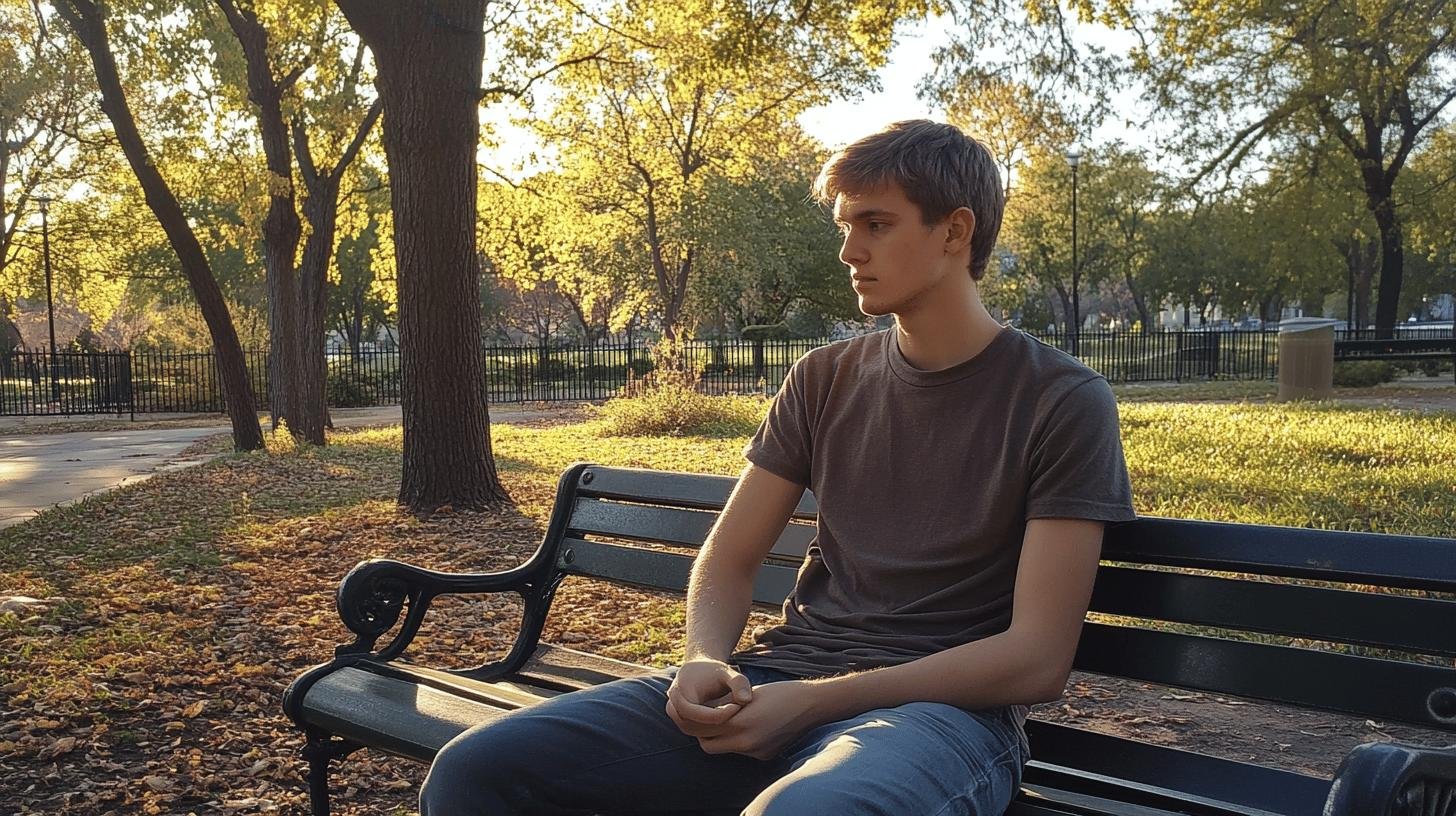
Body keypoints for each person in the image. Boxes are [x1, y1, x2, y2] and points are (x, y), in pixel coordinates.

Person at [419, 119, 1135, 815]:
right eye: (844, 226)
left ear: (954, 231)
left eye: (876, 224)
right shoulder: (824, 378)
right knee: (476, 772)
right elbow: (728, 557)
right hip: (775, 680)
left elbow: (1036, 659)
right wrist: (703, 659)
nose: (849, 250)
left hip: (942, 718)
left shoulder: (1060, 400)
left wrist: (816, 703)